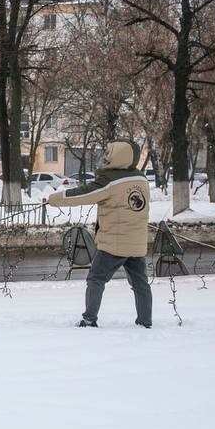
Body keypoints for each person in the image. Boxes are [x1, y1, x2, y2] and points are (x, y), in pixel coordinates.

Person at [48, 140, 152, 328]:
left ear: (118, 156)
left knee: (96, 279)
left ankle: (89, 319)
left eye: (108, 153)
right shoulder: (141, 179)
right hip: (137, 243)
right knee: (140, 284)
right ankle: (145, 322)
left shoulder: (110, 181)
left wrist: (54, 199)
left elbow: (83, 194)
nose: (105, 157)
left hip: (113, 244)